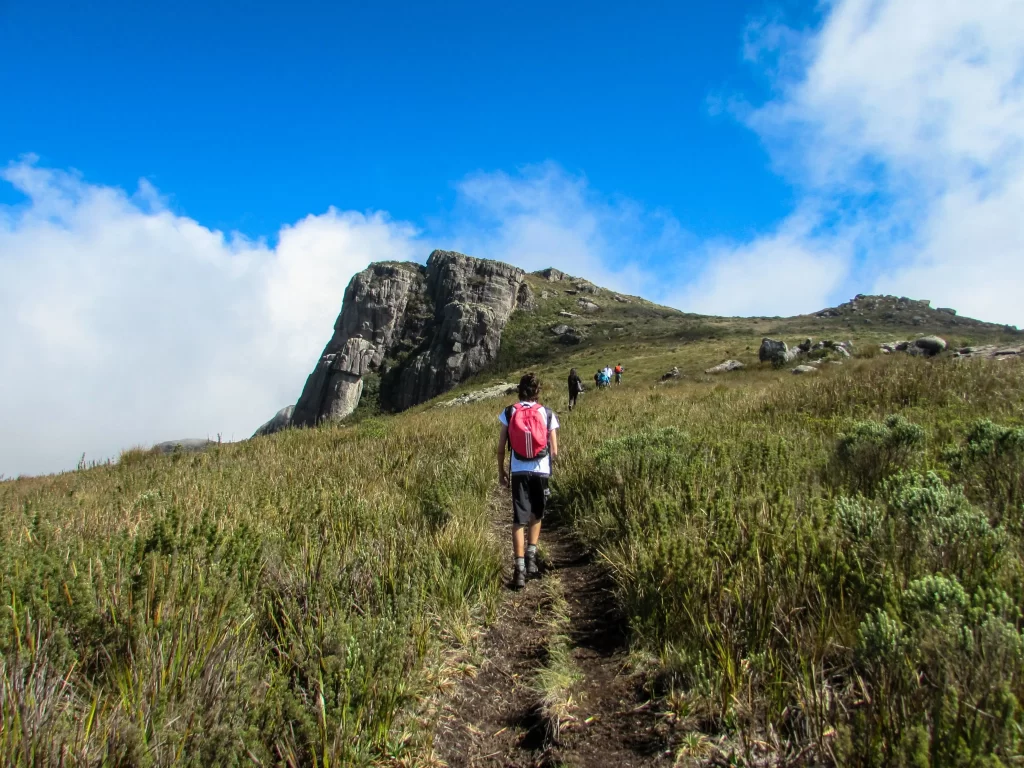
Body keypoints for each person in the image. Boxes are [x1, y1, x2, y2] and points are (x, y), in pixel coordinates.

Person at [498, 373, 560, 589]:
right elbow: (554, 450)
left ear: (519, 390)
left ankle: (519, 570)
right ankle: (532, 557)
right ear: (537, 391)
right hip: (540, 470)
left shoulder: (509, 411)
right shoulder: (547, 413)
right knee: (537, 513)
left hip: (518, 471)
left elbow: (500, 448)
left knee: (518, 519)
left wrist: (501, 472)